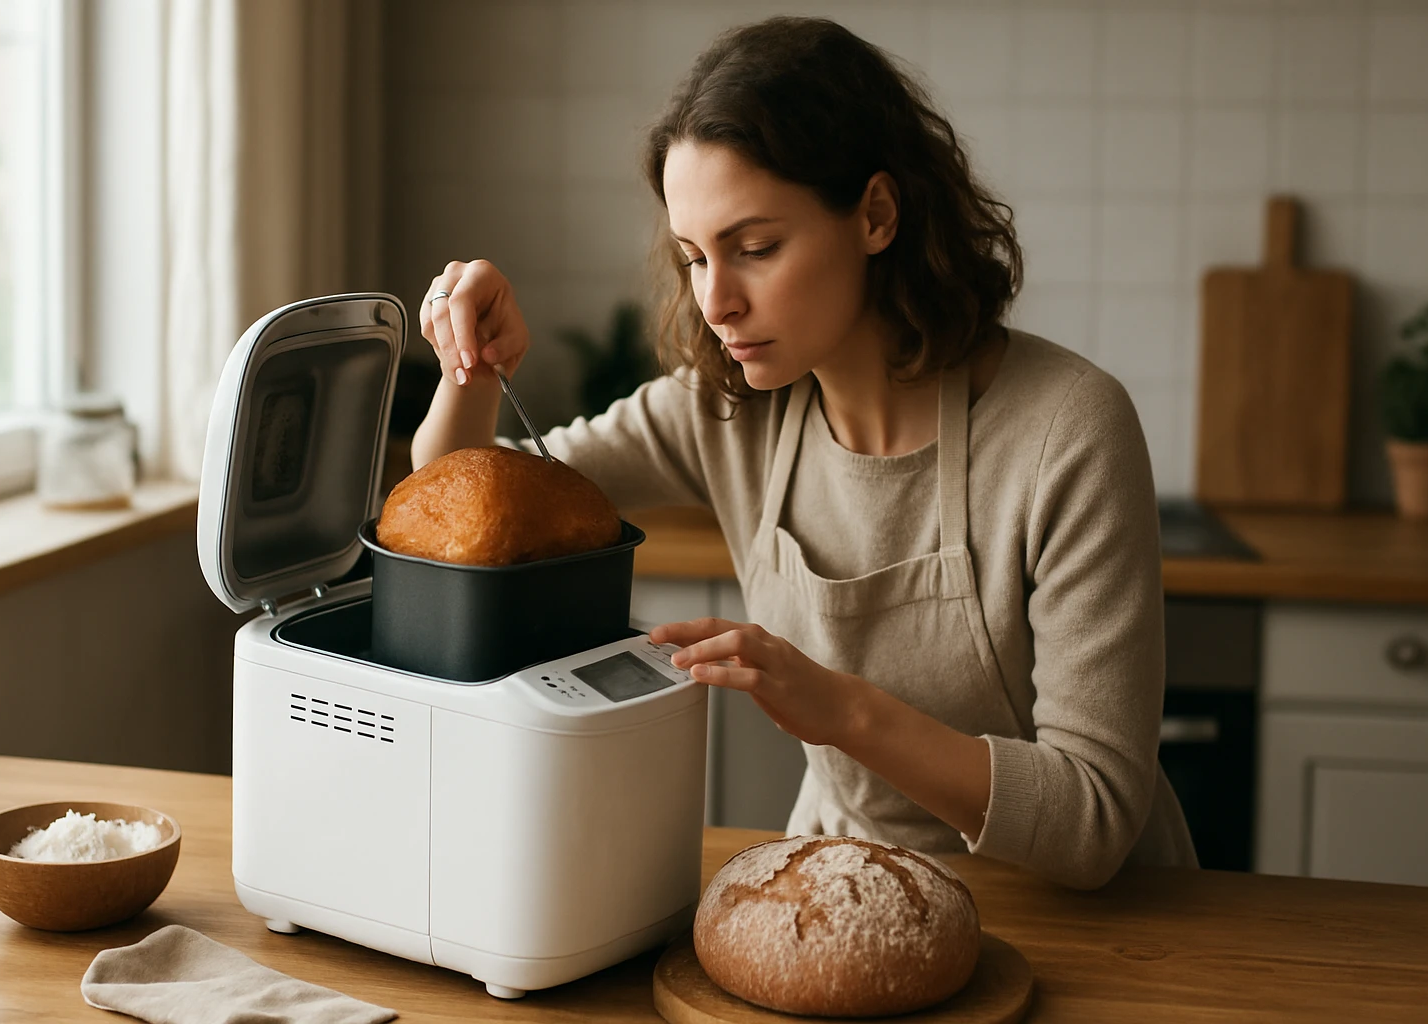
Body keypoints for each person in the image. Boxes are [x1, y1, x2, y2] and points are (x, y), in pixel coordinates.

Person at [410, 16, 1196, 889]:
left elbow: (1095, 820)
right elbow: (455, 515)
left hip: (1088, 922)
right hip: (845, 881)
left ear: (876, 214)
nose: (717, 303)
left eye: (755, 249)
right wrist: (470, 367)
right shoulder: (730, 410)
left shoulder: (1070, 429)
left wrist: (839, 709)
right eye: (694, 257)